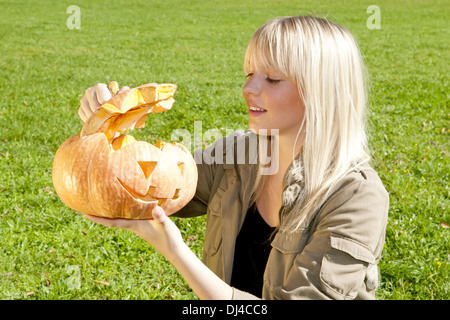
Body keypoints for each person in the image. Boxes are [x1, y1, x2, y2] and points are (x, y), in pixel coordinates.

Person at [80, 15, 389, 300]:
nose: (248, 87)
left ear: (320, 92)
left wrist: (176, 252)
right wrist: (107, 124)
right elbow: (142, 185)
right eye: (250, 73)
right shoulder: (236, 156)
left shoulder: (357, 198)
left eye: (271, 79)